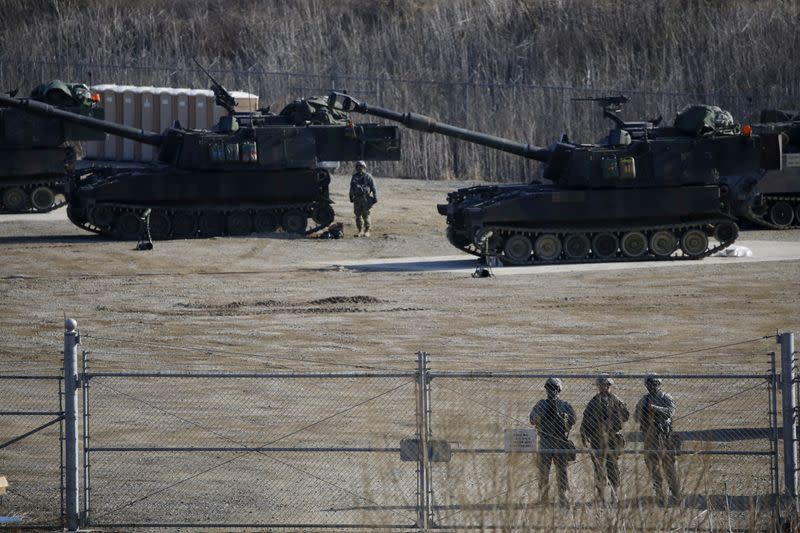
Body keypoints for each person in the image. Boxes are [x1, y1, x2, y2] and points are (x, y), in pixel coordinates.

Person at [580, 375, 629, 502]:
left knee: (612, 466)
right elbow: (585, 419)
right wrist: (585, 433)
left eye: (606, 385)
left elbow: (625, 416)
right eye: (601, 385)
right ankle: (601, 495)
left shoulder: (616, 400)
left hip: (612, 438)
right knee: (598, 467)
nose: (604, 387)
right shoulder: (594, 401)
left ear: (609, 386)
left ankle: (614, 494)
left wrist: (611, 421)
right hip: (597, 439)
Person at [529, 377, 576, 505]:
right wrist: (542, 415)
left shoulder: (565, 405)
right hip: (545, 441)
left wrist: (562, 416)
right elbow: (532, 419)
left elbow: (573, 419)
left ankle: (563, 496)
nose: (551, 391)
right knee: (544, 470)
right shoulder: (541, 404)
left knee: (562, 470)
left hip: (560, 440)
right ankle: (543, 497)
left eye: (554, 388)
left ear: (559, 390)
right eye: (549, 388)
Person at [634, 375, 680, 504]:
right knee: (653, 467)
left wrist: (654, 408)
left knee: (669, 467)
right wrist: (641, 411)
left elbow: (670, 412)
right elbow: (636, 418)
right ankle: (659, 494)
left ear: (660, 384)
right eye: (649, 384)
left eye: (655, 384)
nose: (652, 386)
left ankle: (675, 495)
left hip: (664, 437)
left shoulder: (666, 397)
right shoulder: (644, 399)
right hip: (650, 437)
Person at [349, 160, 377, 237]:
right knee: (357, 215)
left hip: (365, 198)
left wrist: (375, 197)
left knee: (366, 214)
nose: (359, 168)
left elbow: (373, 187)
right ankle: (360, 230)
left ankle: (367, 230)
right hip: (357, 198)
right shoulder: (354, 177)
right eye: (358, 167)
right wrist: (351, 196)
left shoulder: (368, 177)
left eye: (361, 167)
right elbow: (352, 187)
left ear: (364, 167)